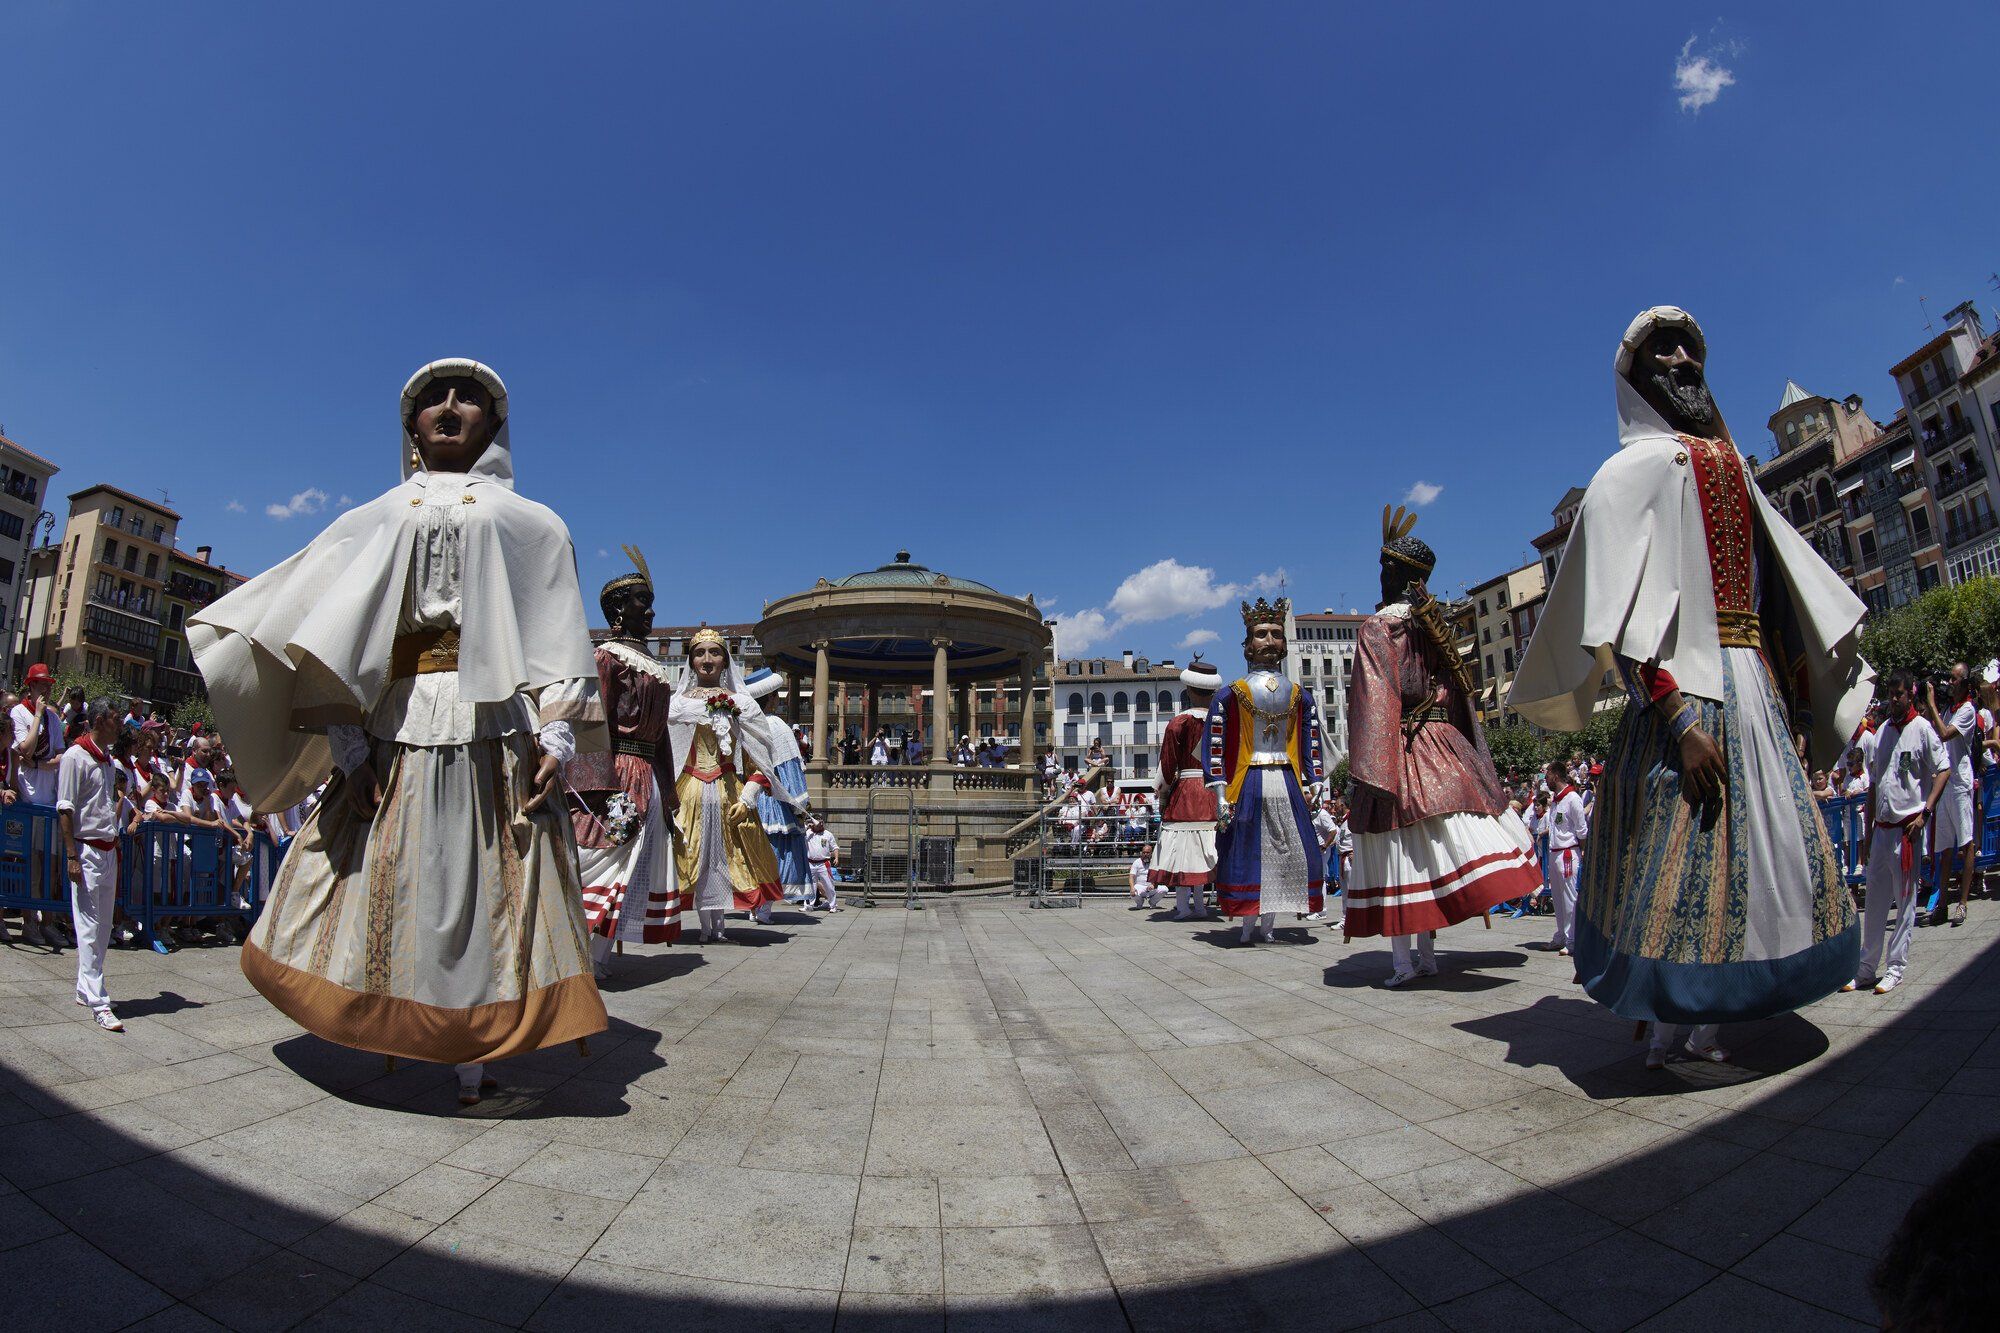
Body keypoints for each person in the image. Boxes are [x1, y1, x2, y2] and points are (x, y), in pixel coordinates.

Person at [189, 358, 610, 1106]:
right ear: (411, 426)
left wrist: (556, 737)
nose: (450, 407)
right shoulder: (376, 514)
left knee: (488, 883)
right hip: (401, 716)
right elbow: (337, 635)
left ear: (494, 423)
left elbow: (555, 630)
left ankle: (473, 1056)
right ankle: (385, 1019)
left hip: (491, 723)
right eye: (432, 399)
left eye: (469, 398)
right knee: (393, 873)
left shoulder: (533, 521)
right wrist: (350, 749)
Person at [1510, 307, 1865, 1043]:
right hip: (1686, 695)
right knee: (1675, 858)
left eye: (1689, 348)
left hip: (1752, 689)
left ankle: (1725, 1006)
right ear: (1635, 379)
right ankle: (1667, 1020)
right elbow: (1622, 613)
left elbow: (1775, 596)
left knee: (1755, 858)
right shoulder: (1630, 472)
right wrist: (1676, 719)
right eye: (1662, 351)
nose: (1681, 359)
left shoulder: (1736, 465)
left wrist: (1792, 703)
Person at [1343, 506, 1542, 985]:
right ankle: (1429, 957)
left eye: (1382, 568)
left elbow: (1374, 701)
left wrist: (1371, 772)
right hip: (1445, 744)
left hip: (1403, 748)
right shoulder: (1434, 626)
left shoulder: (1378, 629)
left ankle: (1402, 963)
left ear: (1393, 573)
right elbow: (1459, 693)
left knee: (1400, 859)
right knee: (1430, 858)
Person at [566, 551, 683, 978]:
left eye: (650, 602)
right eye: (641, 601)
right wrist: (601, 785)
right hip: (618, 770)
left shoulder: (651, 664)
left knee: (631, 859)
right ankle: (578, 950)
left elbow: (662, 732)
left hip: (647, 773)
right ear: (617, 608)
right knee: (606, 854)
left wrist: (667, 787)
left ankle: (593, 954)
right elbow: (591, 724)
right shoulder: (607, 658)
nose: (650, 611)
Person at [1205, 597, 1329, 944]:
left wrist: (1316, 778)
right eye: (1261, 634)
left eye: (1276, 633)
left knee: (1284, 852)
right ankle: (1248, 923)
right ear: (1247, 645)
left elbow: (1311, 739)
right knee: (1249, 850)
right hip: (1248, 781)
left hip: (1286, 779)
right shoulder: (1231, 694)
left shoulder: (1300, 695)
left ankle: (1269, 923)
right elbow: (1215, 743)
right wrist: (1218, 789)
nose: (1270, 641)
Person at [667, 626, 796, 940]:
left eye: (714, 653)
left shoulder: (743, 703)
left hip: (728, 791)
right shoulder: (677, 703)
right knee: (694, 856)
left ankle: (719, 926)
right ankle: (704, 925)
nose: (707, 659)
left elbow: (761, 752)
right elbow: (667, 747)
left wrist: (750, 793)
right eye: (700, 653)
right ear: (691, 660)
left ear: (725, 661)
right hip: (690, 791)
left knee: (727, 859)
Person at [1847, 670, 1949, 996]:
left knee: (1905, 902)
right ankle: (1866, 969)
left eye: (1899, 694)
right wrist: (1869, 829)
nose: (1894, 699)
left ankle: (1895, 968)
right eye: (1890, 694)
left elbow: (1943, 769)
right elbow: (1875, 783)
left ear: (1911, 694)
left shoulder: (1922, 730)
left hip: (1907, 831)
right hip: (1881, 831)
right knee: (1875, 900)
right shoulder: (1882, 733)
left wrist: (1926, 813)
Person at [57, 698, 126, 1031]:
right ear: (99, 720)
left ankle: (86, 988)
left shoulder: (108, 762)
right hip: (86, 851)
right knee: (88, 925)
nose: (120, 724)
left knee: (102, 928)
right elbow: (65, 809)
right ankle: (100, 1002)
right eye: (115, 719)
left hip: (108, 850)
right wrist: (72, 855)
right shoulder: (74, 757)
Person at [1147, 661, 1222, 920]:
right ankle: (1201, 905)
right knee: (1204, 851)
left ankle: (1183, 906)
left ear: (1189, 688)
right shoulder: (1221, 722)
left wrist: (1162, 788)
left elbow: (1167, 765)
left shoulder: (1179, 723)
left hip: (1187, 791)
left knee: (1180, 852)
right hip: (1214, 790)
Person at [742, 667, 812, 921]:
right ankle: (763, 907)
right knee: (775, 855)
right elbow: (788, 767)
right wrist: (801, 806)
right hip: (774, 801)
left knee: (754, 854)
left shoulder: (746, 723)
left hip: (750, 800)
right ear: (770, 698)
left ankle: (754, 905)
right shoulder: (776, 725)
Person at [1921, 664, 1978, 928]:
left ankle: (1963, 903)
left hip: (1960, 784)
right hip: (1945, 783)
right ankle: (1942, 903)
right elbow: (1936, 734)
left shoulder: (1967, 710)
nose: (1951, 683)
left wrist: (1931, 703)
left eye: (1955, 680)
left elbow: (1945, 734)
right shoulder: (1948, 710)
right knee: (1944, 848)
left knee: (1966, 843)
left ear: (1966, 683)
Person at [1544, 760, 1589, 956]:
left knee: (1570, 897)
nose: (1546, 780)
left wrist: (1584, 853)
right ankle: (1561, 935)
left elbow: (1582, 831)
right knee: (1558, 899)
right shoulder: (1556, 800)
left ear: (1555, 775)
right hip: (1555, 853)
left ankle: (1572, 940)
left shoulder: (1572, 798)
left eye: (1547, 776)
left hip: (1568, 853)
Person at [12, 662, 63, 804]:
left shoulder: (53, 718)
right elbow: (26, 751)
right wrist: (38, 715)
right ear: (32, 686)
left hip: (49, 796)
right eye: (43, 685)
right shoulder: (18, 712)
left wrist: (37, 764)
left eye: (49, 686)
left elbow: (61, 757)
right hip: (25, 794)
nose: (47, 691)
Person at [805, 815, 841, 911]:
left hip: (823, 863)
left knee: (829, 885)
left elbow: (835, 847)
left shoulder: (827, 834)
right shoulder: (807, 833)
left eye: (822, 822)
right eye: (818, 822)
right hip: (810, 863)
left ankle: (833, 905)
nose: (820, 824)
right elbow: (799, 839)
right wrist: (807, 827)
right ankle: (809, 905)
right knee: (810, 885)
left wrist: (836, 858)